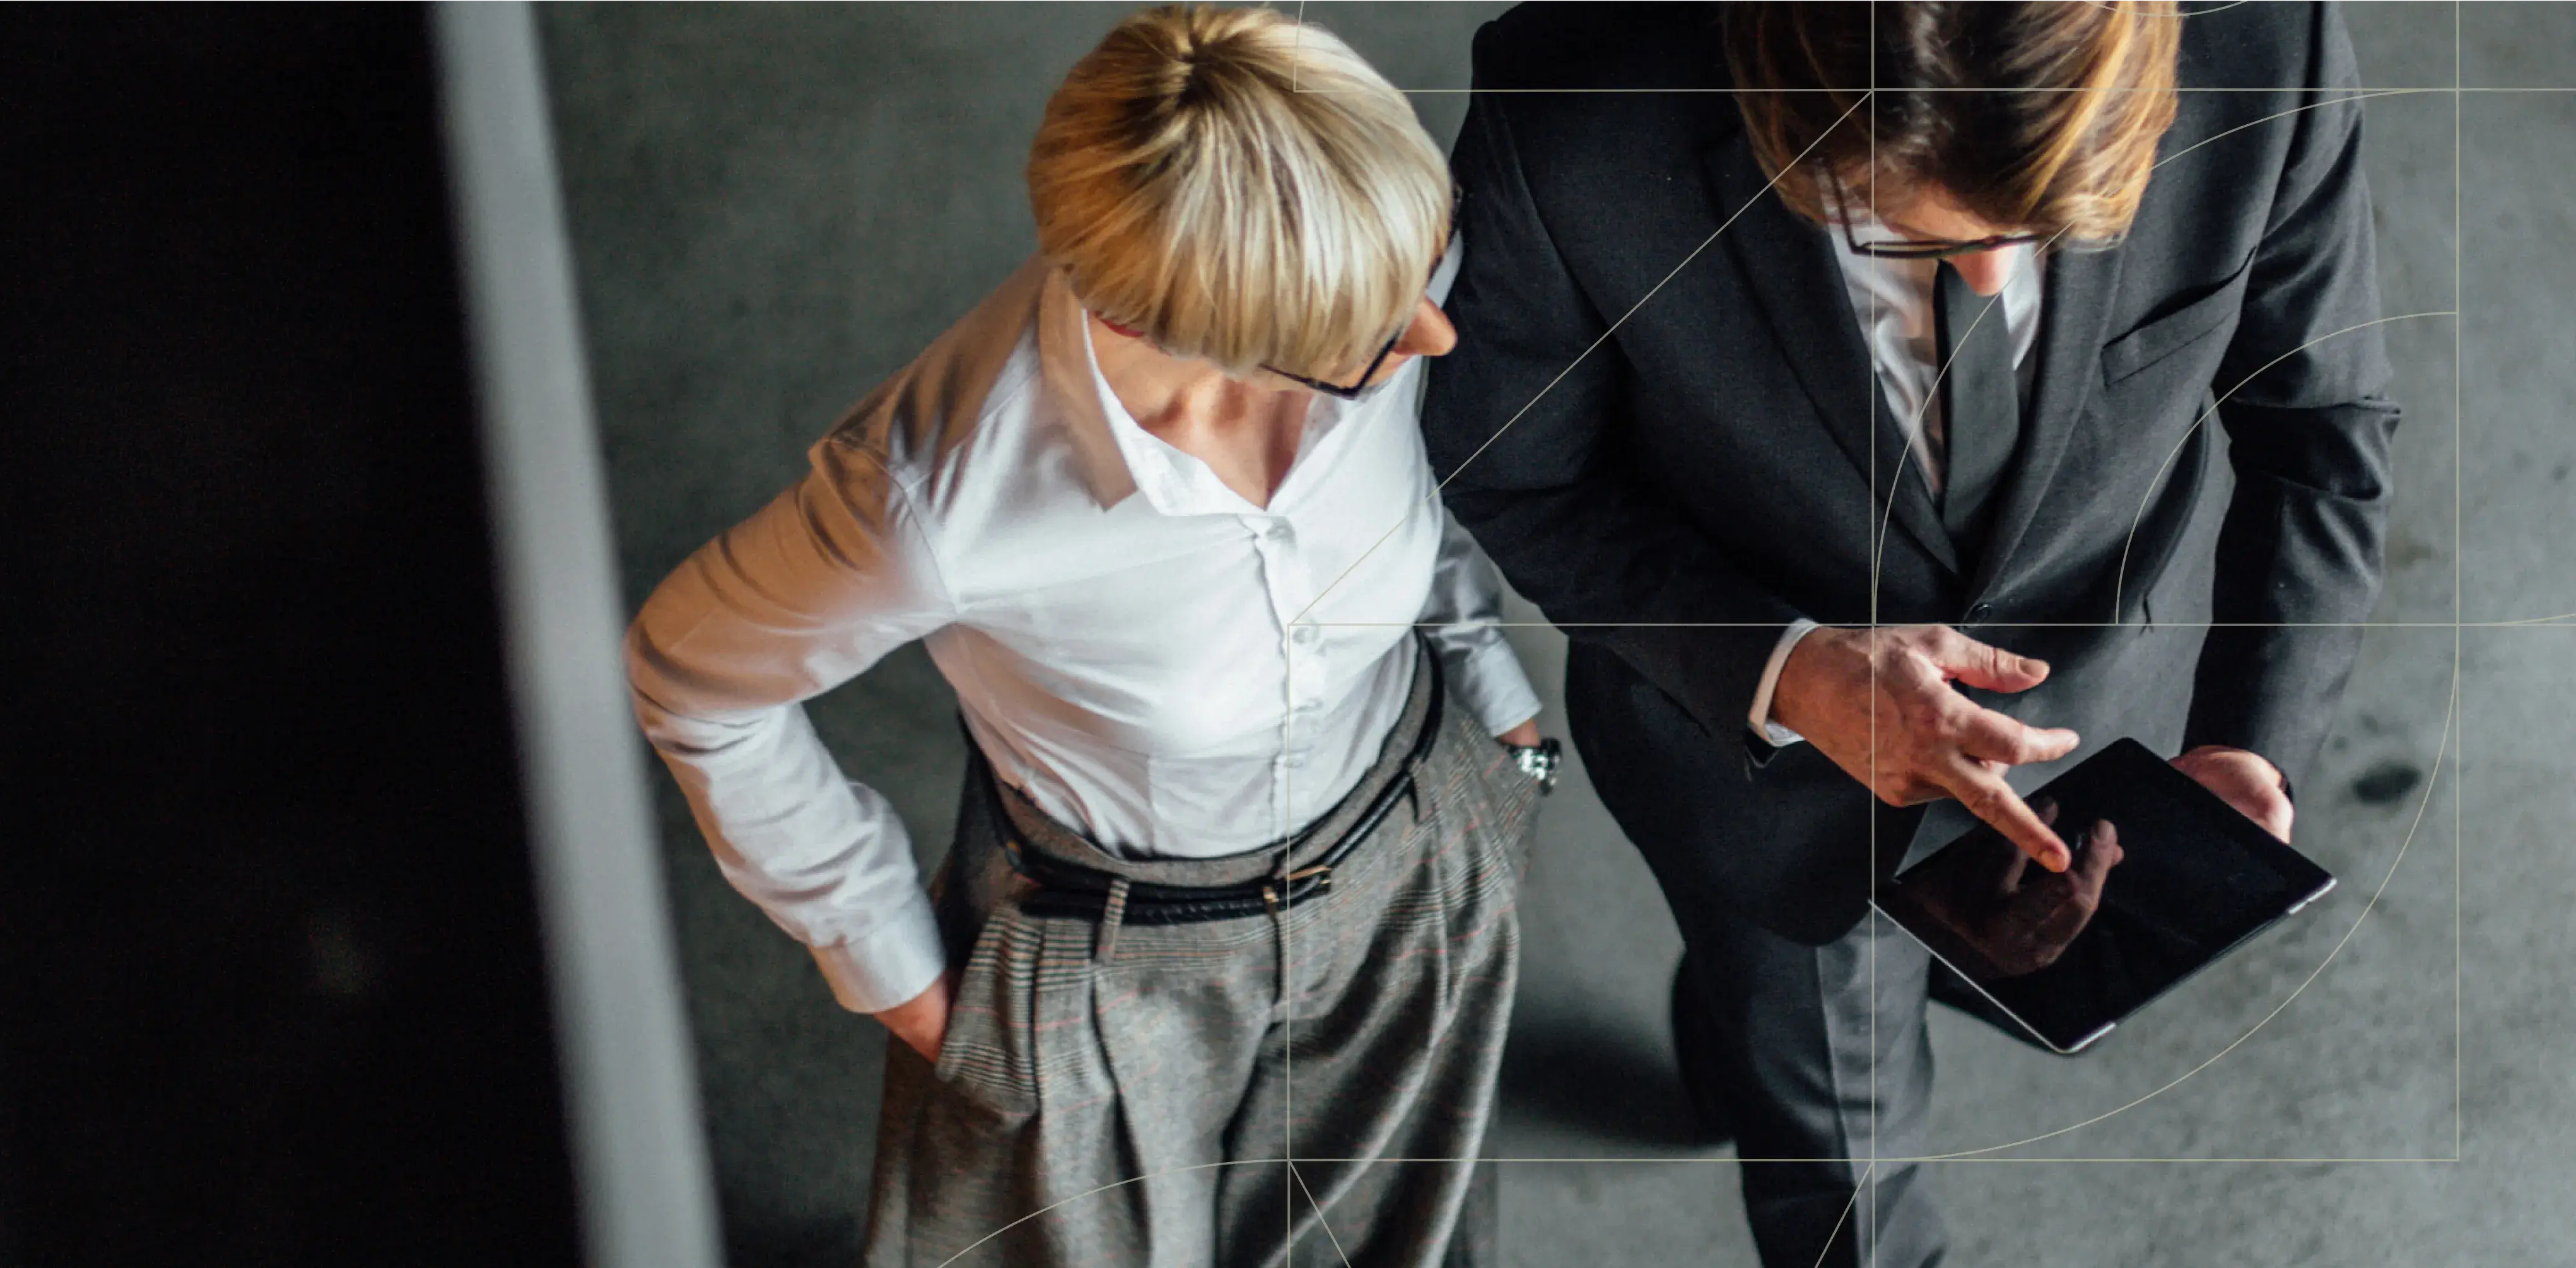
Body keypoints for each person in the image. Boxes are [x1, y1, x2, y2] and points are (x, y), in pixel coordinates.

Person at [1422, 0, 2397, 1264]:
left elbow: (2322, 433)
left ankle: (1729, 1020)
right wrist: (1784, 668)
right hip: (1766, 779)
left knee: (1845, 1003)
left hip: (2105, 749)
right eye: (1909, 231)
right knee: (1845, 1188)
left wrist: (2252, 739)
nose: (1990, 280)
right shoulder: (1579, 107)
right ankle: (1748, 1002)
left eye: (2042, 229)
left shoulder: (2267, 43)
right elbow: (1517, 470)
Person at [625, 8, 1555, 1265]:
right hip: (1117, 949)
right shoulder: (936, 501)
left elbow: (1413, 484)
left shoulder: (1358, 275)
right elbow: (693, 682)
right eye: (1376, 340)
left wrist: (1486, 684)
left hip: (1407, 863)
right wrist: (885, 955)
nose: (1434, 335)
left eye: (1424, 274)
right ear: (1177, 334)